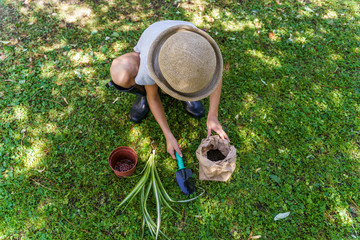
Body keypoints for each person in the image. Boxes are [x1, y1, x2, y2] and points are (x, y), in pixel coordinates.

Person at [108, 20, 229, 160]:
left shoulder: (202, 51)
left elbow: (216, 76)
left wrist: (213, 115)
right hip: (156, 40)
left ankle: (188, 95)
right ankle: (143, 93)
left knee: (193, 74)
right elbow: (153, 98)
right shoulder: (149, 65)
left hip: (186, 43)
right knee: (121, 74)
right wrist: (168, 135)